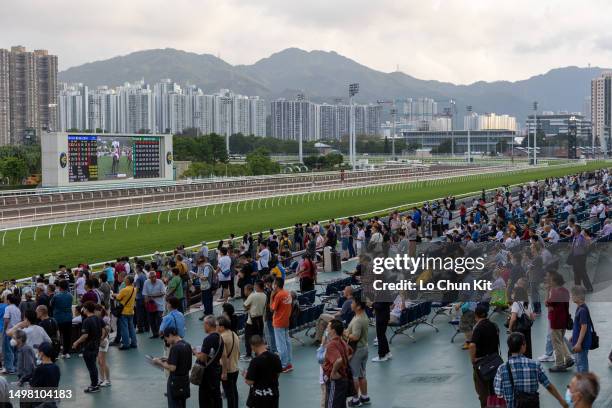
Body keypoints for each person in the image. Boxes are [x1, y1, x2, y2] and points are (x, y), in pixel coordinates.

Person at [494, 332, 568, 408]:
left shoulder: (502, 368)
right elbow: (548, 385)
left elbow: (499, 393)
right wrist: (561, 400)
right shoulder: (534, 365)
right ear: (523, 345)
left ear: (509, 347)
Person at [153, 327, 192, 408]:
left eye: (166, 338)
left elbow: (172, 367)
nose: (166, 341)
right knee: (182, 404)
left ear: (170, 335)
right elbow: (184, 361)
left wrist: (159, 362)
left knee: (174, 404)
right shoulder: (187, 345)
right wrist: (168, 359)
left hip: (175, 382)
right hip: (185, 380)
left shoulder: (175, 348)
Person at [469, 304, 500, 408]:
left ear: (476, 315)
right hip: (495, 362)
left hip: (482, 364)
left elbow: (472, 345)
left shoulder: (478, 328)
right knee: (494, 389)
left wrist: (473, 359)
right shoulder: (493, 325)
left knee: (482, 391)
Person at [72, 301, 106, 393]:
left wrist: (76, 342)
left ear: (86, 309)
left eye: (83, 308)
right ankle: (95, 383)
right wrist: (101, 338)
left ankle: (94, 385)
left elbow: (85, 335)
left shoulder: (86, 321)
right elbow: (105, 328)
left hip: (88, 347)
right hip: (96, 346)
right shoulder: (98, 319)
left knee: (91, 367)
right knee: (93, 365)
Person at [545, 272, 573, 373]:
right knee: (560, 340)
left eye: (551, 280)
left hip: (556, 321)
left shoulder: (555, 292)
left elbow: (547, 303)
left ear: (555, 281)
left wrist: (548, 291)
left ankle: (559, 364)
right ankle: (568, 358)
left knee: (556, 343)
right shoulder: (565, 291)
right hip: (564, 320)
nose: (549, 281)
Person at [244, 335, 282, 408]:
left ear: (252, 346)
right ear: (263, 343)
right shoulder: (275, 357)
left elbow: (250, 382)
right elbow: (278, 374)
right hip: (273, 393)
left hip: (260, 396)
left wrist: (246, 376)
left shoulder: (255, 361)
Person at [345, 297, 370, 407]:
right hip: (364, 348)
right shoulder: (363, 315)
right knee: (362, 374)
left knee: (354, 376)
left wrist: (345, 334)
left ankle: (355, 399)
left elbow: (355, 337)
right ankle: (364, 396)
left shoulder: (358, 320)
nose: (351, 303)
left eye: (354, 302)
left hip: (357, 350)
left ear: (358, 306)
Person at [194, 315, 224, 408]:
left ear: (207, 324)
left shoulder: (208, 339)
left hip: (207, 374)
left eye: (204, 324)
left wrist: (195, 352)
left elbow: (202, 358)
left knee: (205, 399)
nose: (203, 326)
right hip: (216, 370)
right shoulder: (220, 337)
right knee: (216, 396)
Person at [323, 319, 352, 408]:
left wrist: (333, 372)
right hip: (343, 379)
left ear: (333, 330)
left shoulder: (332, 344)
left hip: (335, 382)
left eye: (328, 327)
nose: (327, 328)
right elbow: (351, 352)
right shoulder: (342, 341)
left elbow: (338, 360)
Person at [270, 277, 293, 373]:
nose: (272, 285)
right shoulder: (287, 293)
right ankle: (289, 363)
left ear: (276, 285)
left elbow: (272, 309)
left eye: (273, 283)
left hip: (279, 322)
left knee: (281, 345)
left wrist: (271, 297)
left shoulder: (278, 295)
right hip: (286, 321)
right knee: (287, 343)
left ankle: (283, 365)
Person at [29, 341, 61, 407]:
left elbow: (32, 388)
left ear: (42, 353)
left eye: (38, 351)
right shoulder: (56, 367)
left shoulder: (40, 369)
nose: (37, 353)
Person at [218, 316, 240, 408]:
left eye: (217, 326)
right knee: (234, 391)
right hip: (235, 367)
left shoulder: (222, 337)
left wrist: (224, 372)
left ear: (222, 327)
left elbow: (223, 356)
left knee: (229, 394)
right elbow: (238, 353)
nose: (216, 328)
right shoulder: (234, 334)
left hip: (227, 370)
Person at [570, 286, 593, 373]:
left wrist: (579, 343)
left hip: (582, 343)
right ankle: (580, 383)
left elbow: (584, 327)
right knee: (579, 363)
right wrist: (573, 336)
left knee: (582, 365)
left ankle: (584, 384)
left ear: (578, 297)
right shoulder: (579, 308)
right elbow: (578, 326)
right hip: (579, 341)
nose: (571, 297)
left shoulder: (582, 310)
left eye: (572, 295)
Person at [508, 286, 534, 359]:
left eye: (513, 293)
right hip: (527, 329)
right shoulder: (527, 304)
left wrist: (509, 329)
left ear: (517, 294)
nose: (512, 294)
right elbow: (532, 317)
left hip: (518, 329)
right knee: (527, 344)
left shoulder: (516, 304)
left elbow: (513, 318)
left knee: (516, 345)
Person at [242, 281, 266, 361]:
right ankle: (258, 353)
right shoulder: (265, 295)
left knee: (248, 337)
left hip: (251, 320)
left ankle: (248, 355)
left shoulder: (253, 296)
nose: (254, 287)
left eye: (255, 285)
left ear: (258, 286)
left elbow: (245, 306)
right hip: (260, 320)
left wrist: (249, 307)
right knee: (259, 337)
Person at [51, 279, 74, 359]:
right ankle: (66, 352)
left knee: (57, 336)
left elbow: (51, 304)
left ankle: (57, 352)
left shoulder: (56, 296)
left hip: (58, 318)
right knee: (67, 336)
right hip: (68, 318)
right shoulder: (70, 296)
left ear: (60, 287)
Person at [113, 275, 137, 350]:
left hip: (124, 312)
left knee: (124, 329)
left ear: (127, 281)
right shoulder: (134, 289)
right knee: (132, 328)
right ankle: (134, 343)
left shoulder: (124, 289)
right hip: (131, 311)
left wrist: (113, 294)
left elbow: (118, 297)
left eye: (125, 279)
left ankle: (126, 344)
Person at [142, 270, 166, 339]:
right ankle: (155, 334)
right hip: (150, 305)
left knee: (159, 320)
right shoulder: (146, 282)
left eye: (154, 277)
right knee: (151, 320)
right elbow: (145, 294)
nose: (153, 278)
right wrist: (146, 301)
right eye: (151, 277)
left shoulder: (160, 282)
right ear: (149, 277)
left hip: (159, 304)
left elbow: (163, 293)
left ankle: (161, 333)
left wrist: (152, 296)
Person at [2, 294, 21, 374]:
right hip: (17, 331)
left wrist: (5, 329)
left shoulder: (8, 308)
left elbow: (6, 319)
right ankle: (16, 367)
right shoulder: (17, 309)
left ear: (8, 300)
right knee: (16, 350)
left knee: (8, 350)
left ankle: (9, 368)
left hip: (10, 331)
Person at [94, 304, 111, 387]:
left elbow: (107, 329)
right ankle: (102, 379)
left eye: (95, 311)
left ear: (99, 311)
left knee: (102, 362)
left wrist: (103, 338)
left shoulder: (103, 319)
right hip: (99, 342)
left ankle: (107, 380)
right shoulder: (98, 319)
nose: (94, 312)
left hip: (103, 342)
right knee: (99, 362)